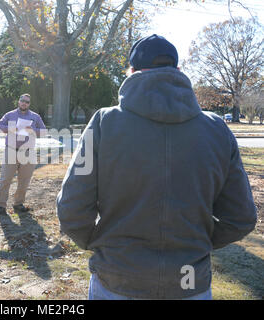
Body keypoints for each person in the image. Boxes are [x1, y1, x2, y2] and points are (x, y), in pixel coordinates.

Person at [56, 34, 257, 300]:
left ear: (131, 72)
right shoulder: (217, 129)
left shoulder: (103, 123)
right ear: (178, 71)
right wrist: (197, 244)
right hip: (189, 281)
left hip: (118, 277)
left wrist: (99, 244)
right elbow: (241, 217)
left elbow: (71, 209)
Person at [0, 94, 46, 215]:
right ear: (18, 101)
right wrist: (11, 129)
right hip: (11, 150)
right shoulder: (10, 115)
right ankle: (1, 205)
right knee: (5, 179)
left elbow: (44, 131)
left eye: (27, 102)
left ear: (29, 104)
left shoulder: (35, 117)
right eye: (22, 101)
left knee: (24, 180)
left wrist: (32, 131)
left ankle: (18, 203)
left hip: (28, 152)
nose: (24, 103)